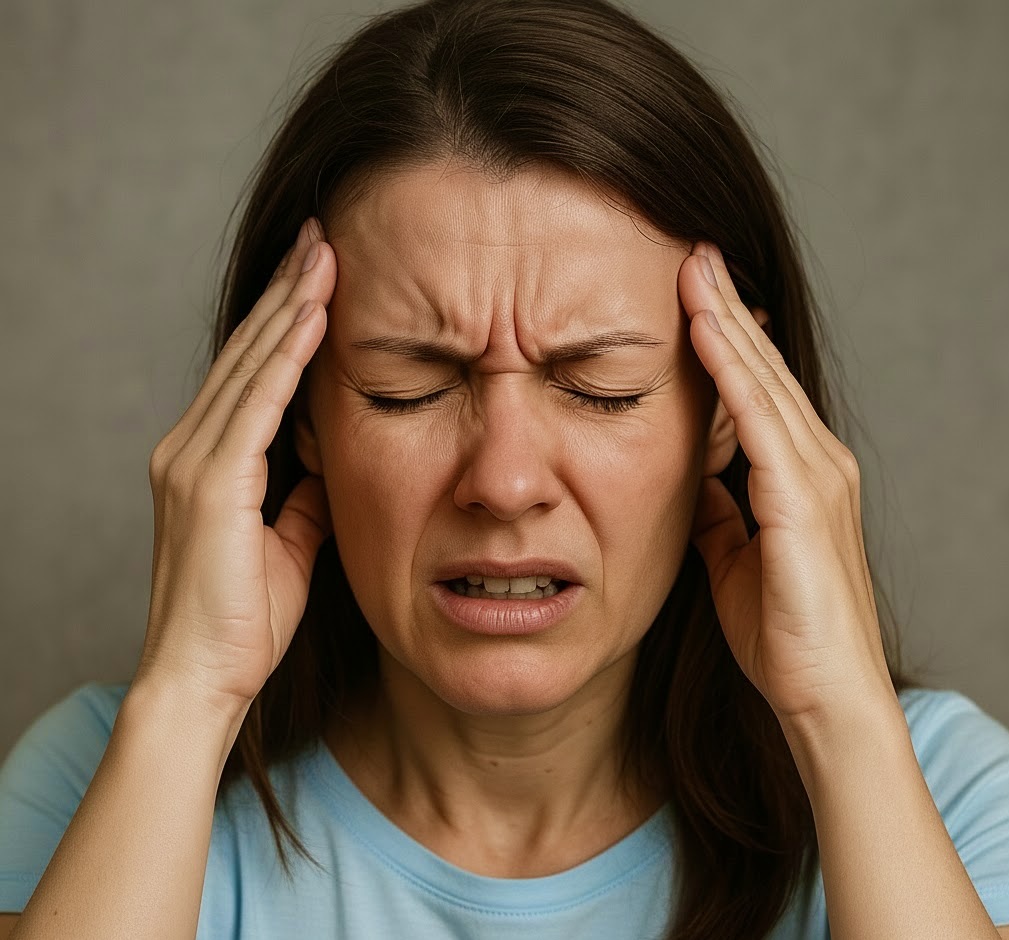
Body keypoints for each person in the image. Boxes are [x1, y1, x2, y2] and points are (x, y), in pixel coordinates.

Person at [1, 0, 1008, 937]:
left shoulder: (943, 791)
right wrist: (187, 698)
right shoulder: (103, 775)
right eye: (408, 386)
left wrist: (838, 712)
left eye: (601, 384)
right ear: (294, 412)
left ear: (733, 414)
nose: (506, 480)